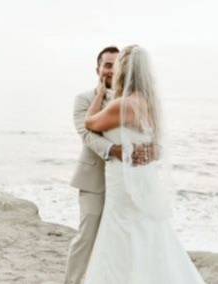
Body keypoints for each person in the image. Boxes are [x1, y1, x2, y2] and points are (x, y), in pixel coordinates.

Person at [82, 45, 207, 283]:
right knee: (147, 234)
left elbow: (90, 123)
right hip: (144, 180)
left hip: (124, 183)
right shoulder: (151, 105)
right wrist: (151, 151)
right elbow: (158, 147)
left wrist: (99, 92)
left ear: (124, 72)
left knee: (120, 236)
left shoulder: (122, 105)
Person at [64, 46, 156, 284]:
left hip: (126, 185)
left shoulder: (133, 100)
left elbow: (151, 137)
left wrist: (150, 151)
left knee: (121, 239)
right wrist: (115, 150)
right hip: (94, 180)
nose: (111, 70)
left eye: (116, 65)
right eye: (106, 65)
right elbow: (86, 133)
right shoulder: (83, 99)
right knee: (87, 236)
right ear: (97, 69)